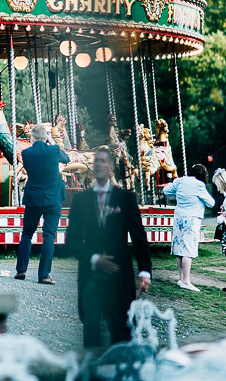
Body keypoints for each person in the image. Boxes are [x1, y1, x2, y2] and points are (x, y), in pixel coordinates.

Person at [66, 147, 151, 347]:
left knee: (121, 328)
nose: (98, 164)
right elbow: (72, 240)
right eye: (96, 161)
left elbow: (139, 236)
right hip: (91, 275)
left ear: (111, 166)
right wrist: (94, 258)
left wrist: (145, 270)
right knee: (91, 329)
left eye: (103, 161)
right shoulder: (81, 200)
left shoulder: (125, 198)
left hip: (119, 274)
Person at [15, 123, 70, 284]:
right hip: (53, 199)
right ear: (46, 137)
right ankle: (44, 275)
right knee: (49, 236)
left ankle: (21, 271)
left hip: (33, 198)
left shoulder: (26, 153)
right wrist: (51, 140)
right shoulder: (53, 150)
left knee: (27, 235)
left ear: (32, 137)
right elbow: (66, 158)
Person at [163, 164, 214, 292]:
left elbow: (166, 191)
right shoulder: (199, 185)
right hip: (191, 219)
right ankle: (186, 280)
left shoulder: (180, 181)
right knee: (189, 250)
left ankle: (181, 278)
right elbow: (211, 203)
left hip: (179, 217)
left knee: (180, 248)